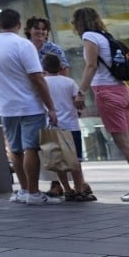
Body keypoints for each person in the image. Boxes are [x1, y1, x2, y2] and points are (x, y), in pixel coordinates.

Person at [73, 6, 129, 202]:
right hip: (123, 90)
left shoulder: (90, 37)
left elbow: (91, 65)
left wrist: (81, 92)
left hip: (107, 92)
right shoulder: (105, 36)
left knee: (125, 144)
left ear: (78, 23)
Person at [0, 9, 61, 206]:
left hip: (6, 106)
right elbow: (37, 77)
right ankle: (34, 193)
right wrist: (50, 107)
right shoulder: (23, 45)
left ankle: (24, 190)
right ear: (18, 25)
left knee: (15, 150)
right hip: (29, 105)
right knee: (31, 149)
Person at [42, 54, 94, 201]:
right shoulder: (69, 82)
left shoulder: (42, 83)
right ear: (60, 67)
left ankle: (67, 190)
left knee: (57, 162)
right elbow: (77, 103)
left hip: (51, 126)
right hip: (71, 126)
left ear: (44, 67)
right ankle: (79, 190)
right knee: (75, 161)